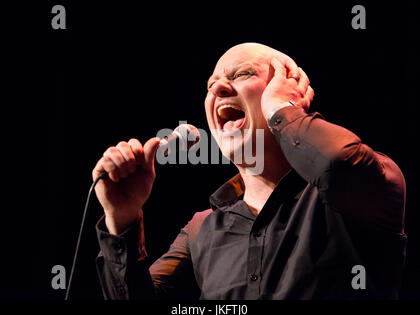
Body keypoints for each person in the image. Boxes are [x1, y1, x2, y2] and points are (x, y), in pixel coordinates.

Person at [93, 43, 406, 300]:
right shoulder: (202, 229)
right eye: (210, 85)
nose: (219, 88)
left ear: (290, 88)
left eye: (241, 74)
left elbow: (337, 164)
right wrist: (121, 220)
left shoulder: (363, 184)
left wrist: (283, 110)